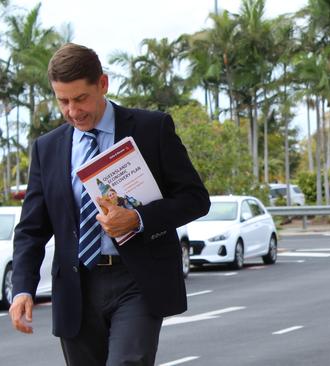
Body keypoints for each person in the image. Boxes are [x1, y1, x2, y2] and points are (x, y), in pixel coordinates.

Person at [9, 43, 210, 366]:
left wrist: (137, 219)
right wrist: (22, 289)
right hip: (76, 288)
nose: (73, 111)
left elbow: (195, 199)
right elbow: (32, 229)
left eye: (81, 99)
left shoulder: (151, 129)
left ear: (102, 84)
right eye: (63, 101)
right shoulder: (47, 148)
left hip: (137, 280)